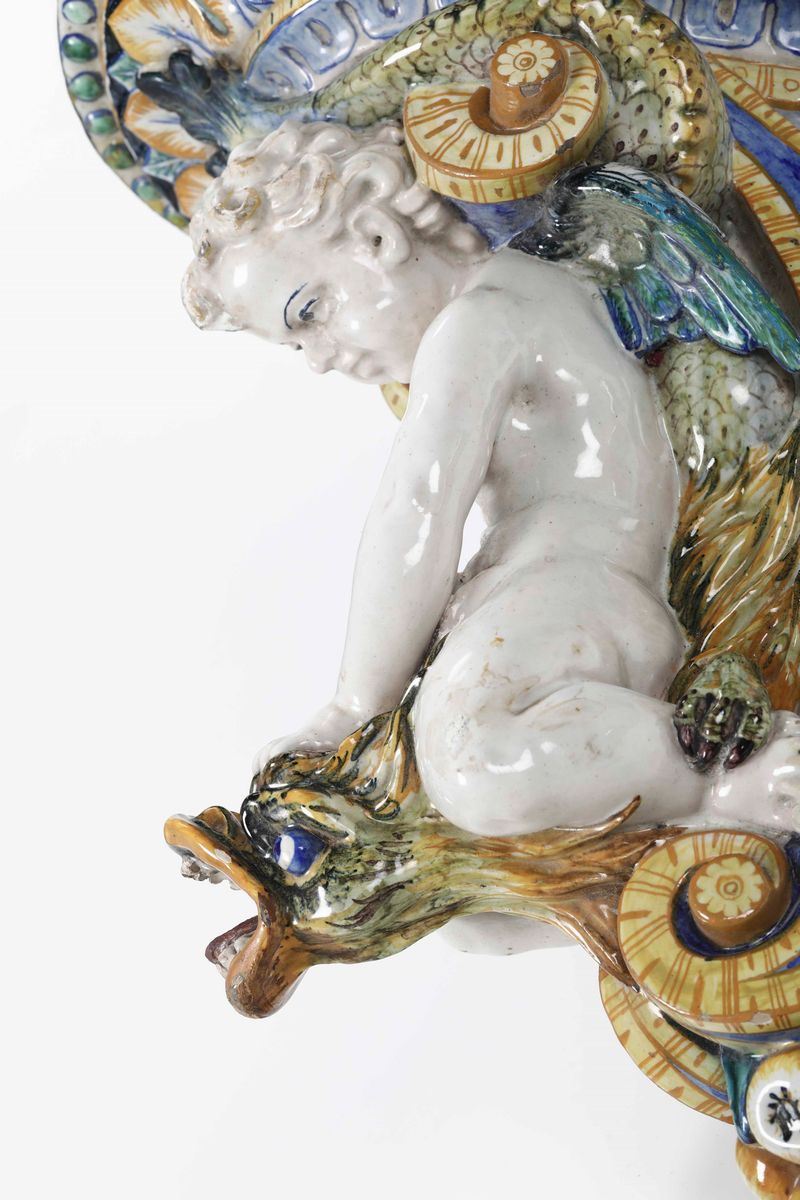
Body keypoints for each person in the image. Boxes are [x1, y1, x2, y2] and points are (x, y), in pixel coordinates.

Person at [182, 118, 800, 945]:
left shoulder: (486, 317)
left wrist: (352, 705)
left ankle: (739, 782)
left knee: (479, 762)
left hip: (581, 597)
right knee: (470, 911)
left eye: (311, 313)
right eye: (298, 345)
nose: (321, 359)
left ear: (376, 237)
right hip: (540, 615)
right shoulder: (492, 314)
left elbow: (417, 507)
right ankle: (663, 883)